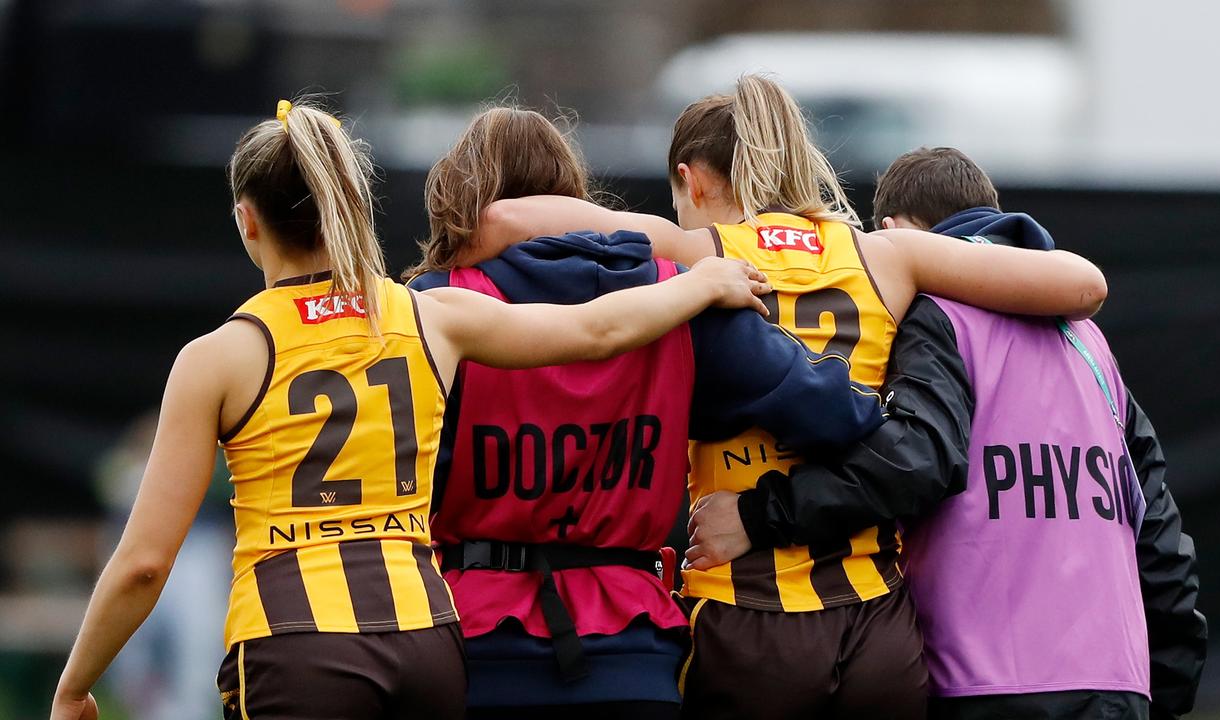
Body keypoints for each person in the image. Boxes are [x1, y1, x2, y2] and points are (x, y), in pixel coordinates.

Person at [47, 98, 777, 720]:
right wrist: (701, 279)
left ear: (247, 221)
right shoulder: (426, 315)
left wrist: (74, 687)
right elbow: (597, 331)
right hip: (427, 639)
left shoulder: (220, 355)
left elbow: (145, 563)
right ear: (351, 202)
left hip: (295, 644)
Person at [472, 74, 1107, 719]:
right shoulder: (886, 254)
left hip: (744, 607)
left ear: (692, 182)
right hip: (876, 618)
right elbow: (1082, 284)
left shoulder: (699, 251)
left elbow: (506, 218)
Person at [402, 106, 886, 720]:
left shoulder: (439, 306)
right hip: (634, 651)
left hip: (478, 649)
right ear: (570, 190)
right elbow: (830, 412)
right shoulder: (680, 291)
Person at [689, 147, 1208, 720]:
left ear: (889, 232)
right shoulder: (1092, 345)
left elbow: (912, 460)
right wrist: (1165, 689)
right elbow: (1158, 539)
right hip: (1115, 685)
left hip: (979, 683)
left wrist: (758, 515)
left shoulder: (937, 313)